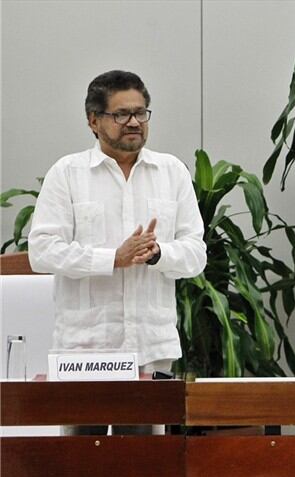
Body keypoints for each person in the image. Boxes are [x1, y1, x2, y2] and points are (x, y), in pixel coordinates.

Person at [28, 70, 206, 434]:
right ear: (94, 121)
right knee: (80, 469)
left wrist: (157, 254)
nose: (134, 123)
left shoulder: (171, 172)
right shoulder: (67, 174)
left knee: (143, 470)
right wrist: (113, 258)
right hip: (85, 351)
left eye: (141, 113)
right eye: (121, 114)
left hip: (150, 346)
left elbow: (195, 254)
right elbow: (42, 251)